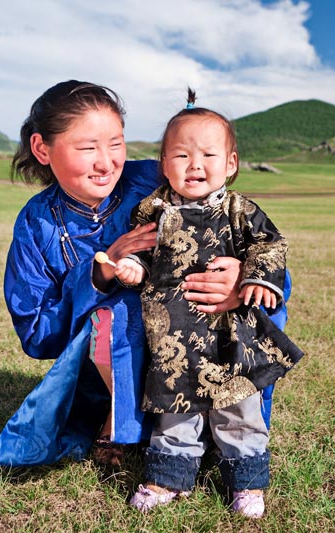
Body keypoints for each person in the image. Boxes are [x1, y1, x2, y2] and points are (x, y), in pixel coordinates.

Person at [0, 81, 247, 468]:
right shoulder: (36, 224)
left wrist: (239, 275)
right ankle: (121, 422)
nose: (106, 162)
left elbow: (238, 225)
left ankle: (211, 420)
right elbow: (37, 334)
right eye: (88, 148)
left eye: (116, 143)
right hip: (99, 376)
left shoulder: (155, 182)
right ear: (42, 149)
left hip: (196, 340)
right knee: (117, 311)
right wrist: (98, 274)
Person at [112, 89, 303, 518]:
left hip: (228, 331)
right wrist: (133, 270)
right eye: (180, 155)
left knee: (238, 406)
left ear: (231, 164)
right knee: (174, 407)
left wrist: (258, 279)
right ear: (164, 163)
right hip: (173, 334)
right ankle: (167, 478)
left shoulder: (241, 210)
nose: (194, 165)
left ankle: (247, 483)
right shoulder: (152, 210)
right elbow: (144, 258)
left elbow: (270, 246)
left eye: (208, 155)